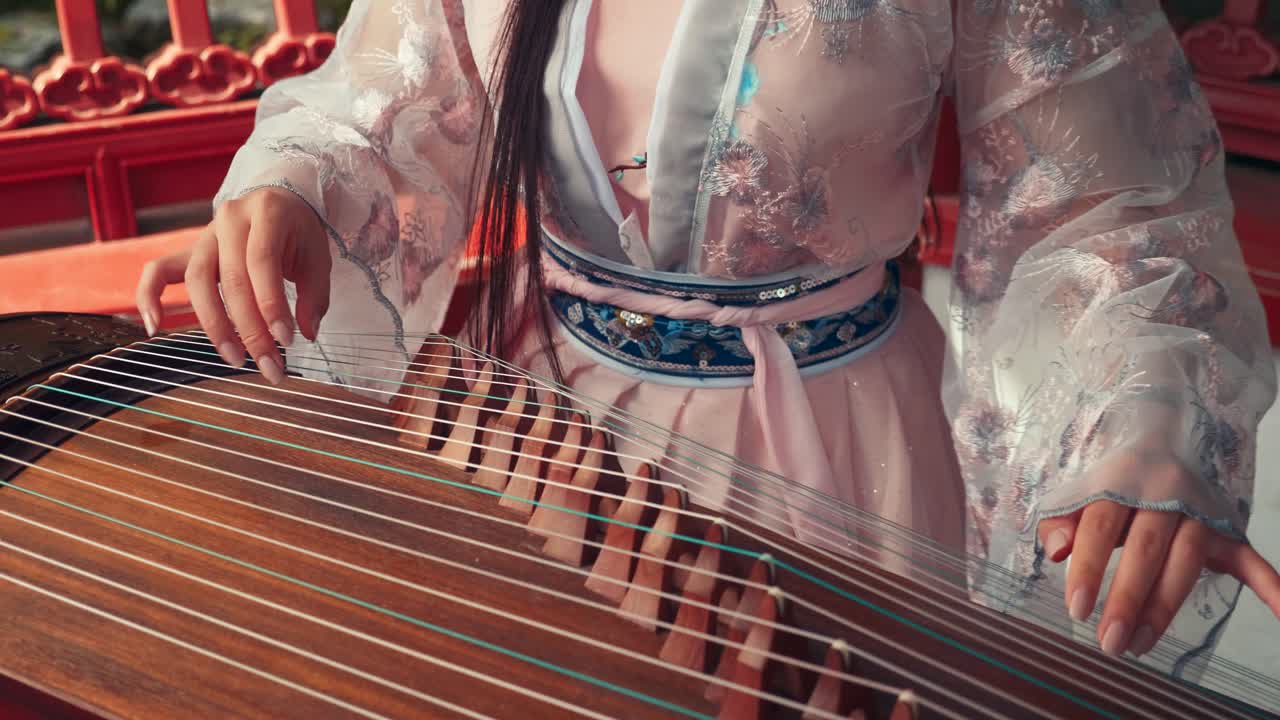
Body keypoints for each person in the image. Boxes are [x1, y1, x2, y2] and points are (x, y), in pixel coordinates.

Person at [135, 0, 1280, 681]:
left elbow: (1101, 206)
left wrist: (1140, 412)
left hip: (834, 446)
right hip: (548, 426)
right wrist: (294, 187)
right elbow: (380, 103)